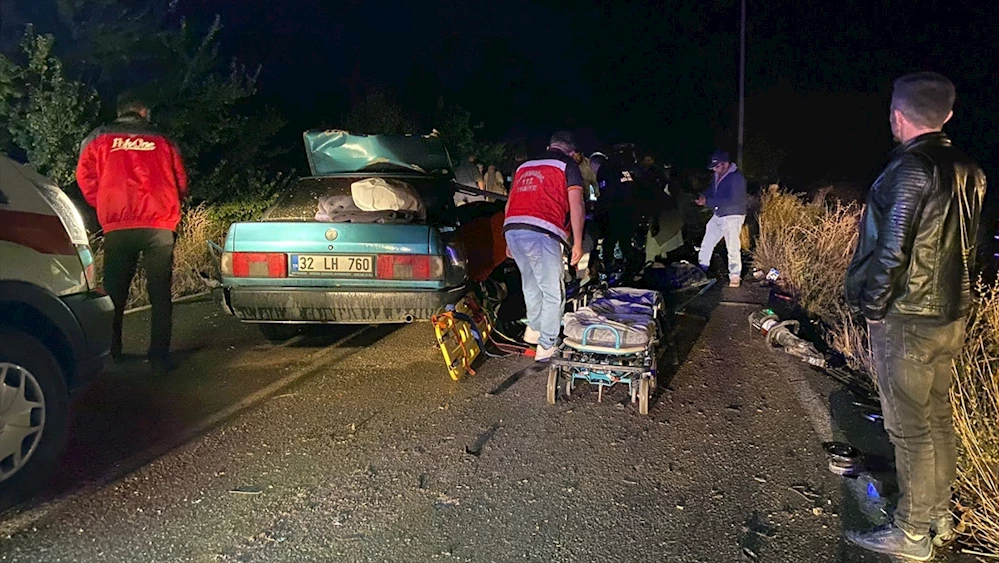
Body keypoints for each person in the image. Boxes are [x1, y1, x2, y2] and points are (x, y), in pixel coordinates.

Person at [844, 72, 986, 561]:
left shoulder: (909, 168)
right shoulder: (970, 169)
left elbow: (892, 250)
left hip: (908, 315)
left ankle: (910, 532)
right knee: (937, 418)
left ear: (897, 116)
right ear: (948, 115)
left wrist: (873, 308)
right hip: (950, 314)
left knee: (909, 429)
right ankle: (938, 517)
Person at [76, 95, 188, 376]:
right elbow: (181, 179)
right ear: (143, 111)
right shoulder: (163, 139)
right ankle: (158, 358)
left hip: (119, 225)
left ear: (120, 112)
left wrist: (105, 203)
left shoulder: (99, 137)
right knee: (160, 293)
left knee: (115, 292)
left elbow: (85, 176)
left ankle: (113, 352)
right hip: (159, 224)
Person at [503, 131, 586, 361]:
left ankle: (534, 329)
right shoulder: (567, 165)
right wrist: (578, 242)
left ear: (550, 147)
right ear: (571, 151)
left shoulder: (524, 166)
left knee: (531, 283)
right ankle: (547, 345)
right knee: (552, 290)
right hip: (542, 229)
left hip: (513, 228)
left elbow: (510, 202)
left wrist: (508, 237)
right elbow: (576, 205)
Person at [695, 150, 747, 287]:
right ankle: (701, 270)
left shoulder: (736, 178)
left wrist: (708, 201)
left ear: (725, 164)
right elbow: (713, 190)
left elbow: (733, 200)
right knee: (707, 242)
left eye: (716, 166)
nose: (714, 169)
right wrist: (703, 196)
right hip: (719, 214)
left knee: (732, 245)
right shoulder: (717, 175)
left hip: (733, 215)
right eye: (713, 167)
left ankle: (735, 275)